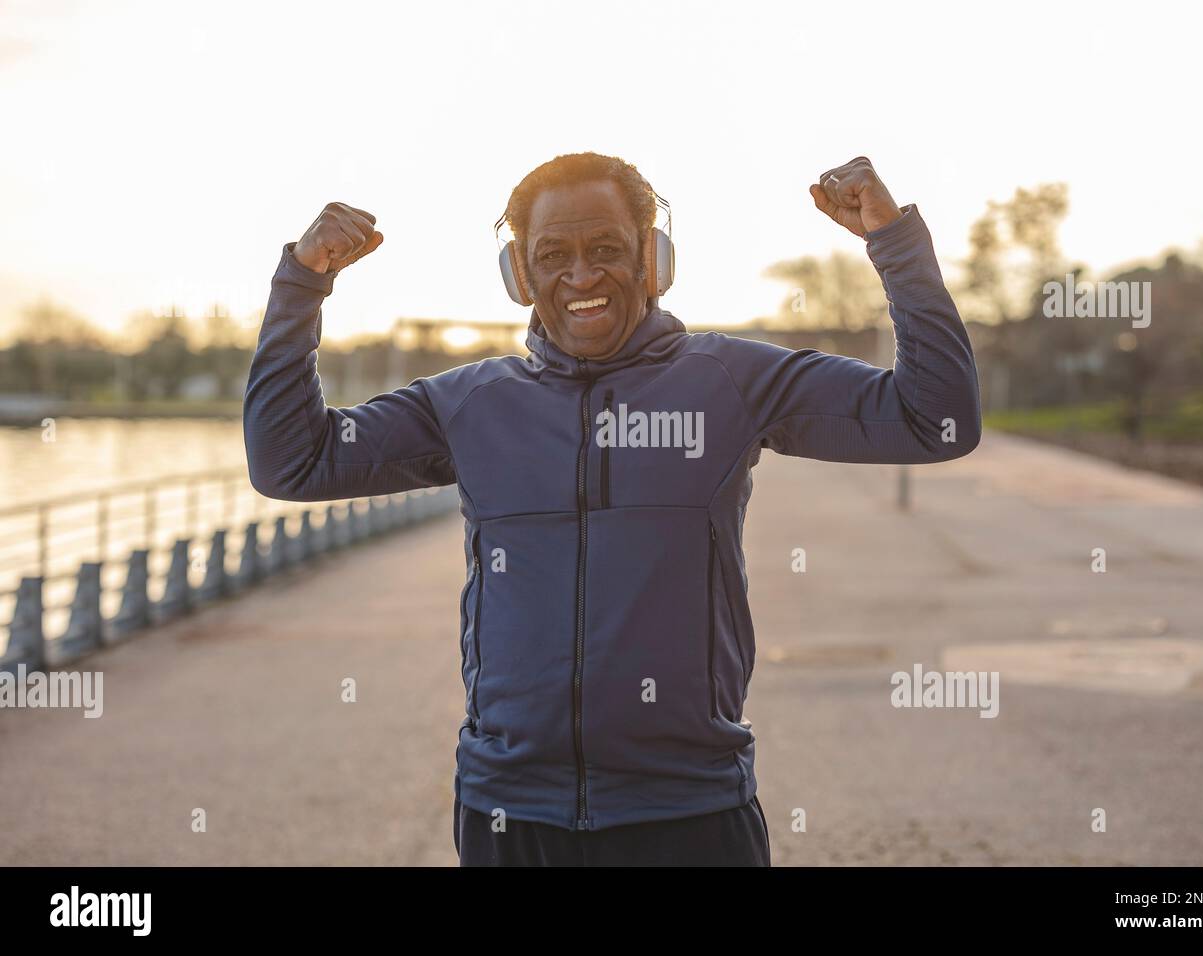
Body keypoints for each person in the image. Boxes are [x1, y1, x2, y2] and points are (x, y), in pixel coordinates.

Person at [243, 152, 981, 866]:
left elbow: (935, 419)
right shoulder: (468, 404)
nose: (582, 275)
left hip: (691, 816)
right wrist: (301, 286)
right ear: (521, 273)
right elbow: (291, 461)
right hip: (510, 815)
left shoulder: (731, 381)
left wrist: (894, 242)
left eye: (606, 249)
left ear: (651, 262)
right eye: (553, 254)